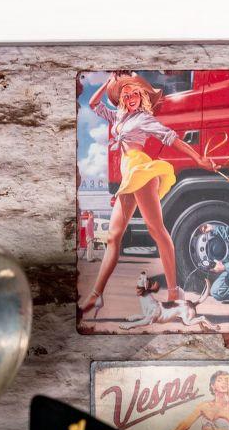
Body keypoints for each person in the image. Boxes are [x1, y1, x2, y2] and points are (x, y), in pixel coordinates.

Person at [79, 71, 220, 320]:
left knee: (157, 230)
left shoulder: (144, 118)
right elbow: (93, 104)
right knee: (113, 236)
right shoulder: (118, 116)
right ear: (121, 100)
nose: (130, 97)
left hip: (141, 171)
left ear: (142, 96)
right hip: (129, 176)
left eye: (135, 93)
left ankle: (174, 292)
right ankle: (97, 294)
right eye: (125, 94)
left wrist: (198, 158)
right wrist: (109, 82)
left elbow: (172, 138)